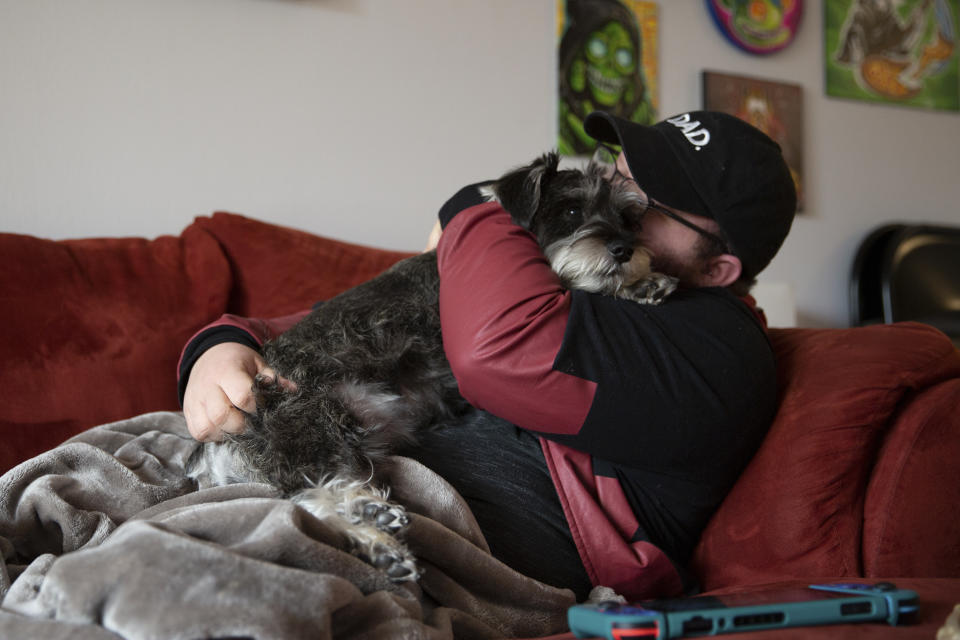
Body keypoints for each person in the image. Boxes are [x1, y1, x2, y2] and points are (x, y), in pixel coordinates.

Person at [178, 110, 797, 602]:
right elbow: (370, 318)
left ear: (720, 267)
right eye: (623, 167)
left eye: (652, 199)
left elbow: (497, 351)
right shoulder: (595, 276)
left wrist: (473, 206)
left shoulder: (718, 350)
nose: (619, 193)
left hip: (399, 519)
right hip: (320, 444)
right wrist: (223, 343)